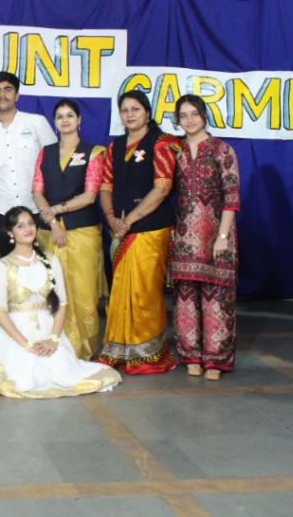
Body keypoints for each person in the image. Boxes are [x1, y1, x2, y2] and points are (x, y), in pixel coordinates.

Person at [0, 207, 123, 398]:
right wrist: (26, 345)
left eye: (31, 223)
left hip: (48, 330)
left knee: (65, 374)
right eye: (20, 226)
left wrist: (53, 339)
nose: (28, 229)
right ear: (10, 233)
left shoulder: (50, 260)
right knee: (26, 378)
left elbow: (62, 303)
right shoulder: (3, 266)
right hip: (15, 335)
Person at [91, 90, 182, 375]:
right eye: (124, 110)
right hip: (119, 229)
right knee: (120, 291)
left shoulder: (163, 143)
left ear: (147, 112)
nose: (130, 114)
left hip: (151, 228)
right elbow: (105, 187)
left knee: (144, 292)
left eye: (136, 109)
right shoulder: (115, 146)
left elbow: (163, 188)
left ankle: (149, 354)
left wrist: (128, 219)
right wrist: (111, 218)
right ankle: (118, 349)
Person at [169, 95, 243, 380]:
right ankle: (191, 355)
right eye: (183, 115)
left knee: (217, 299)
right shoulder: (174, 151)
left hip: (216, 235)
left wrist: (223, 236)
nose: (189, 120)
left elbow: (231, 196)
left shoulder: (222, 150)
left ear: (204, 116)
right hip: (184, 237)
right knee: (185, 298)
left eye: (194, 114)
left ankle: (216, 359)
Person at [32, 99, 109, 359]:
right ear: (54, 123)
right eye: (60, 116)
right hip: (48, 232)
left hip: (82, 232)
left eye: (70, 115)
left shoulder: (94, 152)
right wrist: (53, 221)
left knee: (82, 289)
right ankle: (52, 343)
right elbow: (37, 192)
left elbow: (90, 195)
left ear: (79, 120)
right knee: (52, 289)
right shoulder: (45, 153)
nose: (65, 120)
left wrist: (55, 210)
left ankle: (82, 349)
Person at [0, 72, 57, 260]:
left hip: (37, 208)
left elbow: (54, 163)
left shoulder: (36, 122)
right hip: (2, 210)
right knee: (10, 264)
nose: (2, 94)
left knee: (42, 262)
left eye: (8, 89)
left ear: (17, 95)